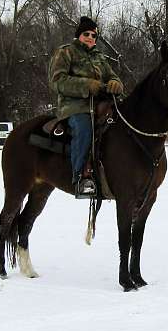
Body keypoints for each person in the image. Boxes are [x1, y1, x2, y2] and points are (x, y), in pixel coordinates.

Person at [49, 16, 124, 197]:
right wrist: (86, 85)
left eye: (94, 35)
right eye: (87, 34)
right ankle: (81, 177)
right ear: (79, 35)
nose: (91, 37)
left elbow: (114, 77)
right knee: (84, 129)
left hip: (101, 106)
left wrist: (115, 83)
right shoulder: (66, 52)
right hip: (75, 107)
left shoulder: (99, 57)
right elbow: (57, 81)